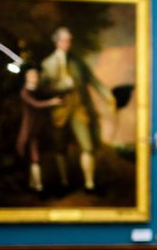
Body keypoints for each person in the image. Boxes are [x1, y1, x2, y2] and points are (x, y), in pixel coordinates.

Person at [40, 26, 115, 193]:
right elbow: (43, 89)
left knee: (87, 146)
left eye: (70, 40)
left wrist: (108, 96)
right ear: (57, 42)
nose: (68, 43)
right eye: (65, 40)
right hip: (59, 111)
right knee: (60, 149)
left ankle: (89, 183)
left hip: (79, 109)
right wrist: (61, 86)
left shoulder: (77, 63)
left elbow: (93, 81)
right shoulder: (48, 63)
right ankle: (64, 182)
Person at [15, 64, 61, 193]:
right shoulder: (25, 92)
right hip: (30, 129)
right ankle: (39, 187)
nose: (34, 77)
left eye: (36, 75)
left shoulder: (39, 91)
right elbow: (36, 104)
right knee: (34, 158)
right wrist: (51, 102)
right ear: (26, 77)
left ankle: (34, 184)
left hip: (40, 129)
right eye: (31, 75)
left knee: (37, 157)